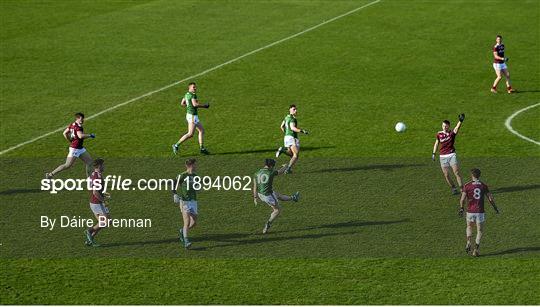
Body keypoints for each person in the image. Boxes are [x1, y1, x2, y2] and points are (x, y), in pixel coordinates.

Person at [459, 168, 499, 257]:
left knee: (469, 226)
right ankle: (476, 249)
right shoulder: (483, 186)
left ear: (472, 175)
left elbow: (462, 199)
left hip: (470, 211)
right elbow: (490, 198)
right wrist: (495, 207)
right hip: (480, 211)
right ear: (479, 175)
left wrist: (461, 208)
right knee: (479, 230)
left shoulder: (467, 185)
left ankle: (468, 241)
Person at [253, 158, 300, 234]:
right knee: (277, 210)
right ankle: (268, 224)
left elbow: (255, 187)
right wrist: (285, 166)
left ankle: (293, 198)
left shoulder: (257, 173)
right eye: (273, 166)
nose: (274, 167)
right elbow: (280, 172)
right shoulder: (270, 172)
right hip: (268, 195)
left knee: (278, 195)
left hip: (260, 194)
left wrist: (255, 197)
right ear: (271, 166)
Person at [46, 113, 95, 178]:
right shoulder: (78, 127)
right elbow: (80, 136)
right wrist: (90, 135)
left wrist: (70, 140)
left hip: (80, 148)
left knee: (89, 162)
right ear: (77, 118)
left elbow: (64, 133)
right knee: (67, 165)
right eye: (81, 119)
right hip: (75, 149)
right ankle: (50, 175)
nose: (83, 120)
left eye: (83, 118)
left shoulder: (72, 125)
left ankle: (89, 179)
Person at [172, 82, 210, 155]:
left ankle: (202, 148)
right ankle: (176, 145)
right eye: (193, 87)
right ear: (189, 88)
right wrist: (204, 106)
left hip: (189, 115)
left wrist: (189, 105)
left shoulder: (186, 94)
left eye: (195, 87)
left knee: (201, 130)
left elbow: (182, 103)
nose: (195, 88)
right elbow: (195, 105)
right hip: (192, 116)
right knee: (190, 134)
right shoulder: (193, 95)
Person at [432, 114, 465, 195]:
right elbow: (436, 143)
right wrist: (433, 153)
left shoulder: (451, 134)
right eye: (443, 126)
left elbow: (457, 128)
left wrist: (460, 121)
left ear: (449, 126)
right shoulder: (439, 134)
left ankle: (462, 189)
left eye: (446, 126)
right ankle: (453, 188)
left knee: (456, 172)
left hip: (451, 155)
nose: (444, 127)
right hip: (442, 156)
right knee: (446, 175)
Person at [173, 158, 199, 249]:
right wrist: (175, 194)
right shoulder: (182, 175)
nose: (196, 166)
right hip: (185, 202)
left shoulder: (196, 176)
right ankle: (186, 241)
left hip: (193, 201)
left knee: (194, 223)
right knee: (187, 222)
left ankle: (182, 231)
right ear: (191, 165)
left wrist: (198, 187)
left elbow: (196, 186)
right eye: (195, 164)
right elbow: (174, 183)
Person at [275, 105, 309, 174]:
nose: (296, 111)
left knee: (292, 154)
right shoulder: (292, 119)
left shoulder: (286, 117)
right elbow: (293, 128)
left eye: (296, 109)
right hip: (292, 137)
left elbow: (281, 126)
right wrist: (302, 131)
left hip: (286, 138)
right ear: (290, 110)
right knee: (296, 155)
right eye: (294, 109)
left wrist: (286, 134)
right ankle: (288, 169)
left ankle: (283, 152)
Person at [84, 158, 110, 247]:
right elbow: (95, 192)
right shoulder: (97, 177)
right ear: (99, 166)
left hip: (94, 202)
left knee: (102, 223)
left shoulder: (94, 174)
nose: (104, 167)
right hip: (97, 203)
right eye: (103, 165)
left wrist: (103, 194)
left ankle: (89, 239)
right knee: (106, 222)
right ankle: (89, 231)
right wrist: (103, 200)